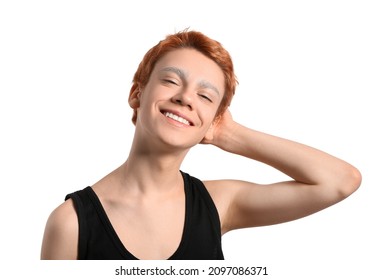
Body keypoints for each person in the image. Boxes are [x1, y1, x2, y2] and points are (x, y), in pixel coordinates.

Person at [40, 30, 362, 260]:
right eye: (171, 80)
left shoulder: (220, 203)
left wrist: (228, 133)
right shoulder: (70, 223)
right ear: (137, 94)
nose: (185, 98)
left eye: (205, 96)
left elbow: (340, 181)